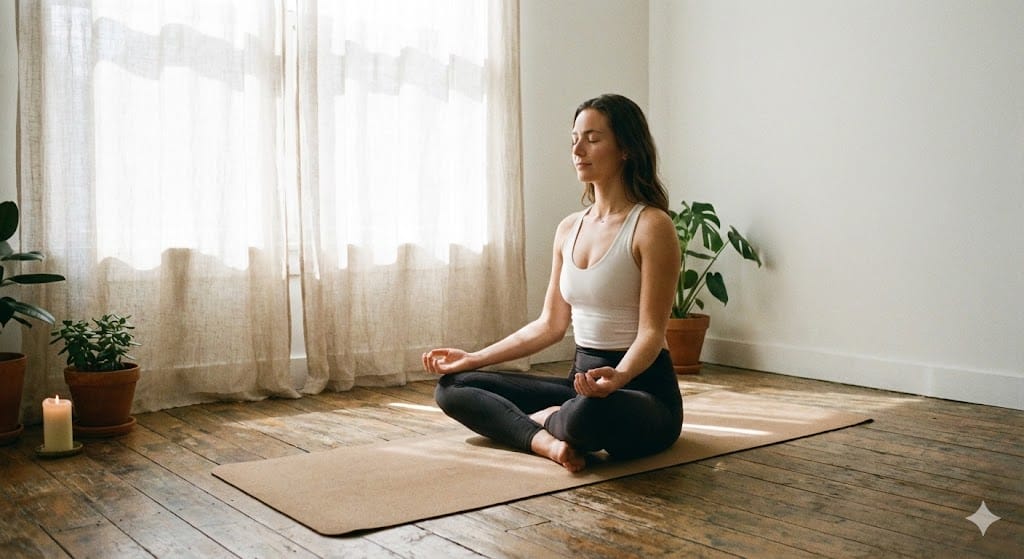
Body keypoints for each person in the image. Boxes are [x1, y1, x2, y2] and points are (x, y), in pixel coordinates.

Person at [422, 94, 681, 472]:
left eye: (592, 138)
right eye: (574, 139)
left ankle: (548, 420)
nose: (578, 149)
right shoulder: (568, 229)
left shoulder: (652, 226)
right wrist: (473, 358)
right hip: (580, 386)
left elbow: (652, 332)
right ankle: (545, 441)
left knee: (588, 415)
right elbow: (550, 325)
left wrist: (620, 376)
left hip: (641, 391)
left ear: (626, 147)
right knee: (453, 387)